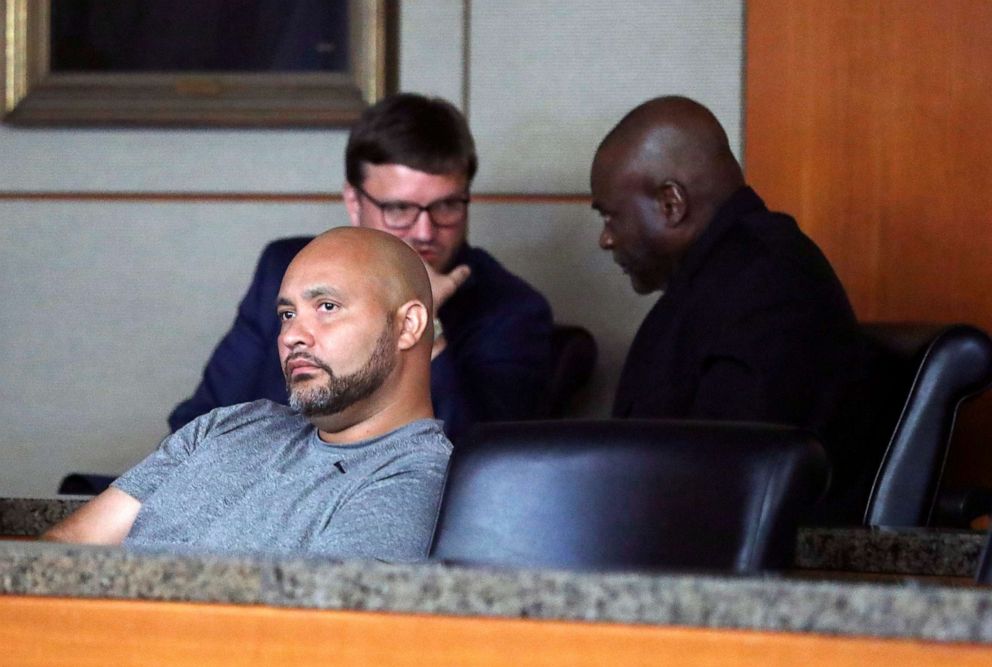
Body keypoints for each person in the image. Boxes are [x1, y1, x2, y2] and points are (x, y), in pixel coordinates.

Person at [43, 228, 451, 560]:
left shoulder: (412, 477)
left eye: (326, 307)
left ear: (410, 325)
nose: (292, 335)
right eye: (287, 314)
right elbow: (63, 555)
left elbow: (309, 641)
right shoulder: (229, 425)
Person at [169, 93, 554, 444]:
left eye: (447, 206)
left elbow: (479, 467)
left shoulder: (512, 309)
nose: (424, 232)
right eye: (400, 209)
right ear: (354, 201)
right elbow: (199, 422)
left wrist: (423, 326)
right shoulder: (285, 271)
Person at [591, 96, 876, 521]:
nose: (606, 239)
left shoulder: (770, 289)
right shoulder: (726, 279)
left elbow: (722, 481)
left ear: (671, 204)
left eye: (611, 216)